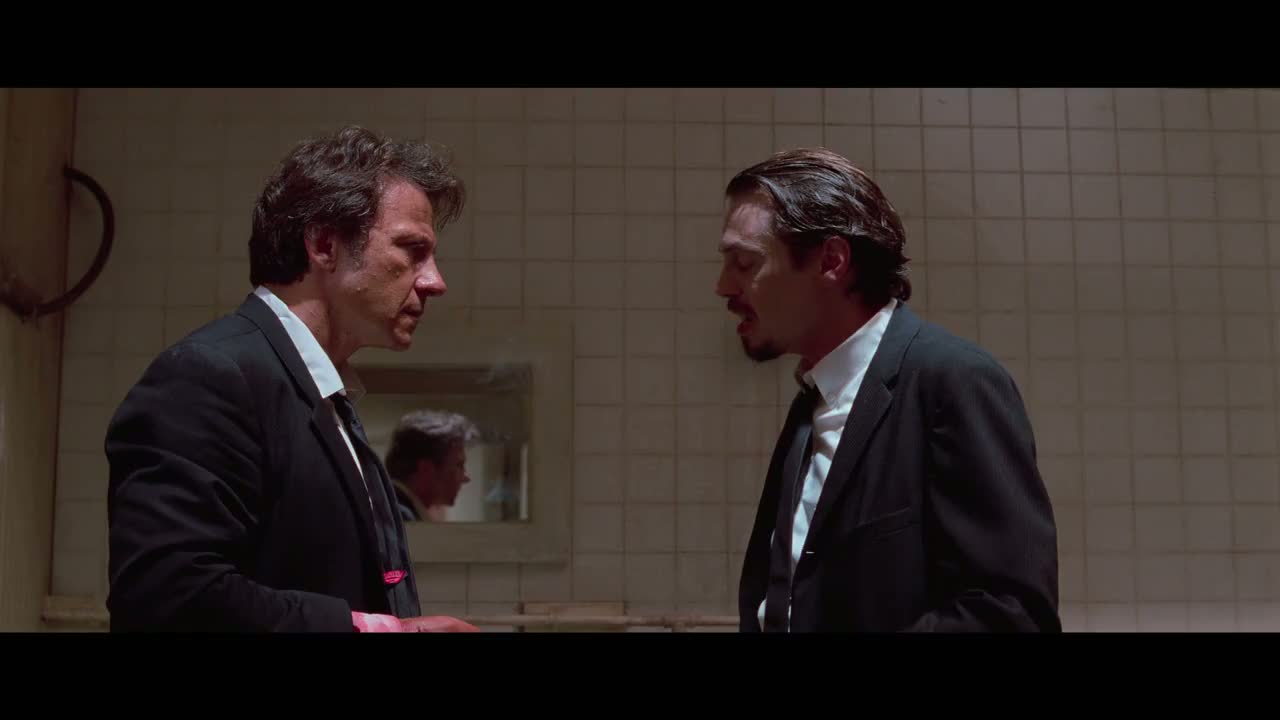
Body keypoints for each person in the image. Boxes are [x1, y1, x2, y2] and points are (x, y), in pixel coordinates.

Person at [104, 125, 478, 633]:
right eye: (412, 250)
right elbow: (166, 596)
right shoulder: (208, 376)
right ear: (325, 244)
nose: (436, 281)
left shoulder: (321, 395)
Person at [721, 148, 1060, 632]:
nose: (723, 287)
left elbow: (1010, 612)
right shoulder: (814, 398)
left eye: (743, 262)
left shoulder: (954, 381)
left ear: (831, 261)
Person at [384, 409, 480, 522]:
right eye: (459, 465)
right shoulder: (401, 519)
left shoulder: (392, 508)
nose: (466, 478)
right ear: (426, 470)